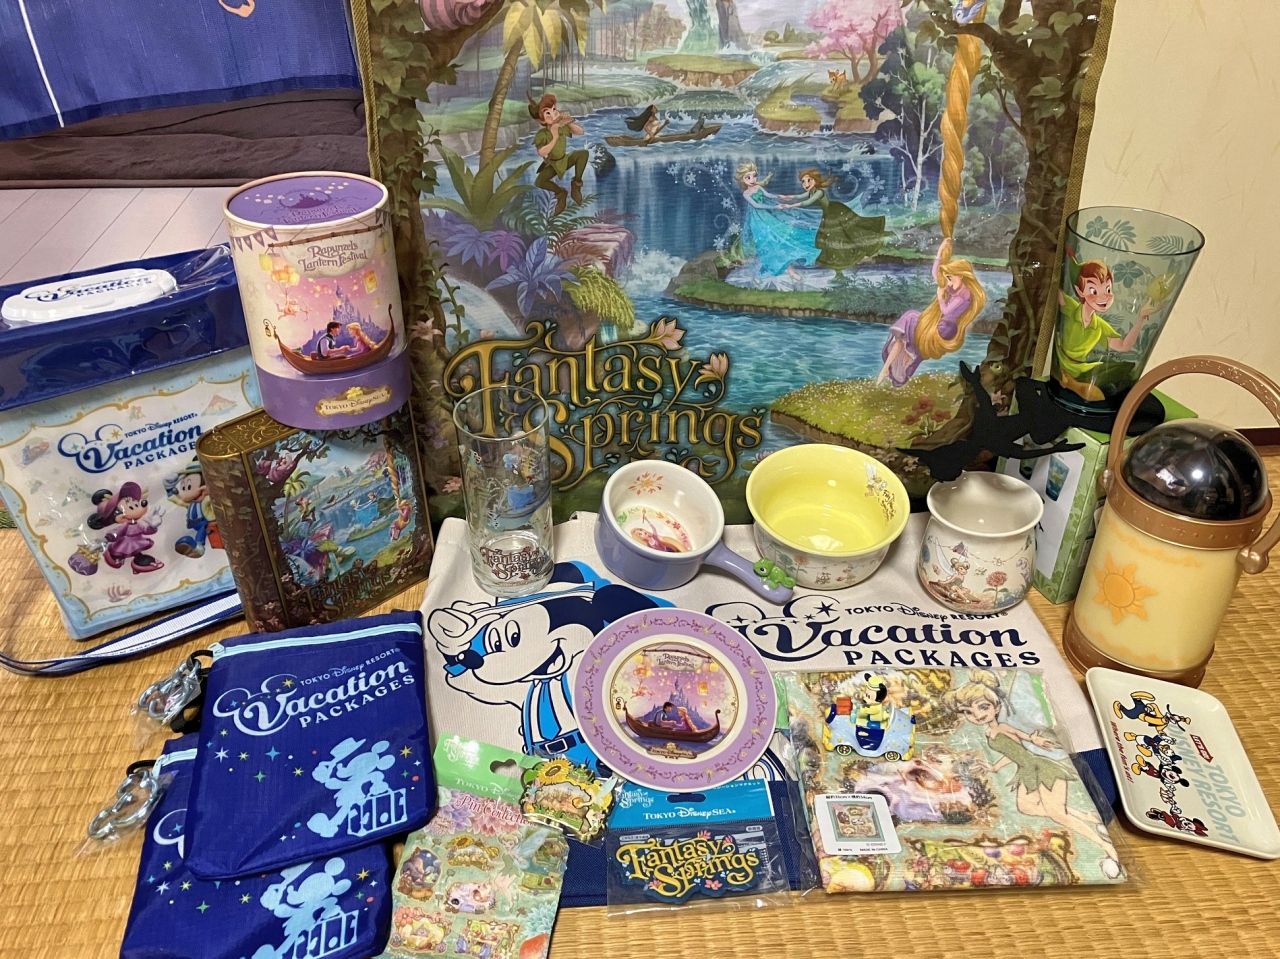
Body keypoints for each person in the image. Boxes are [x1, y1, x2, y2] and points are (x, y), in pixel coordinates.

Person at [945, 671, 1121, 870]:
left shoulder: (1003, 727)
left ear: (996, 706)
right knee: (1027, 808)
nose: (977, 715)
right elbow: (1013, 753)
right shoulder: (988, 731)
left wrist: (1035, 739)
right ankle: (1089, 817)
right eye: (968, 712)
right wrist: (994, 767)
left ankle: (1105, 847)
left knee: (1058, 815)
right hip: (1026, 771)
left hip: (1039, 768)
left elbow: (1024, 740)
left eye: (983, 706)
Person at [877, 238, 987, 386]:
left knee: (910, 318)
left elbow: (946, 311)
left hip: (945, 328)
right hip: (941, 325)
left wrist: (940, 298)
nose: (948, 282)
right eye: (947, 279)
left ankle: (890, 368)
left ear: (961, 275)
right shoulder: (956, 289)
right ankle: (887, 369)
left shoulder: (964, 294)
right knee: (906, 337)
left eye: (950, 278)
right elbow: (936, 274)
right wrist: (940, 252)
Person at [1053, 260, 1155, 402]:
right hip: (1060, 363)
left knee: (1125, 369)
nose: (1104, 297)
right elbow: (1055, 290)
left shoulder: (1100, 326)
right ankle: (1071, 383)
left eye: (1107, 289)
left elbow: (1123, 346)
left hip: (1081, 369)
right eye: (1093, 291)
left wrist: (1141, 318)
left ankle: (1073, 383)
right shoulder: (1071, 308)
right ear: (1080, 291)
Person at [780, 169, 885, 276]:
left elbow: (807, 202)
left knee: (841, 237)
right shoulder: (811, 192)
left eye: (809, 180)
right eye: (803, 181)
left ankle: (843, 266)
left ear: (815, 180)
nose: (805, 184)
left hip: (834, 213)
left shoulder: (819, 192)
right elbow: (800, 197)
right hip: (827, 215)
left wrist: (789, 206)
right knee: (827, 242)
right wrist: (787, 197)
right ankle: (838, 270)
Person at [735, 161, 821, 277]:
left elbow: (768, 195)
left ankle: (789, 269)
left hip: (767, 216)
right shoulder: (746, 194)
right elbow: (757, 205)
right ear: (742, 179)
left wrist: (780, 196)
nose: (752, 179)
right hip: (757, 220)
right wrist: (775, 207)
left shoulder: (758, 187)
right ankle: (767, 270)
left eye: (754, 176)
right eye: (748, 177)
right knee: (767, 242)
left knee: (779, 239)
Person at [530, 94, 589, 216]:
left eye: (554, 109)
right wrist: (555, 137)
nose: (553, 114)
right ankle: (560, 193)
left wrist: (568, 122)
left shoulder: (561, 127)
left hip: (565, 160)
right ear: (542, 120)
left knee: (583, 154)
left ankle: (576, 184)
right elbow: (542, 152)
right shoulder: (542, 134)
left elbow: (580, 131)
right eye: (548, 113)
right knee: (539, 182)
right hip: (553, 164)